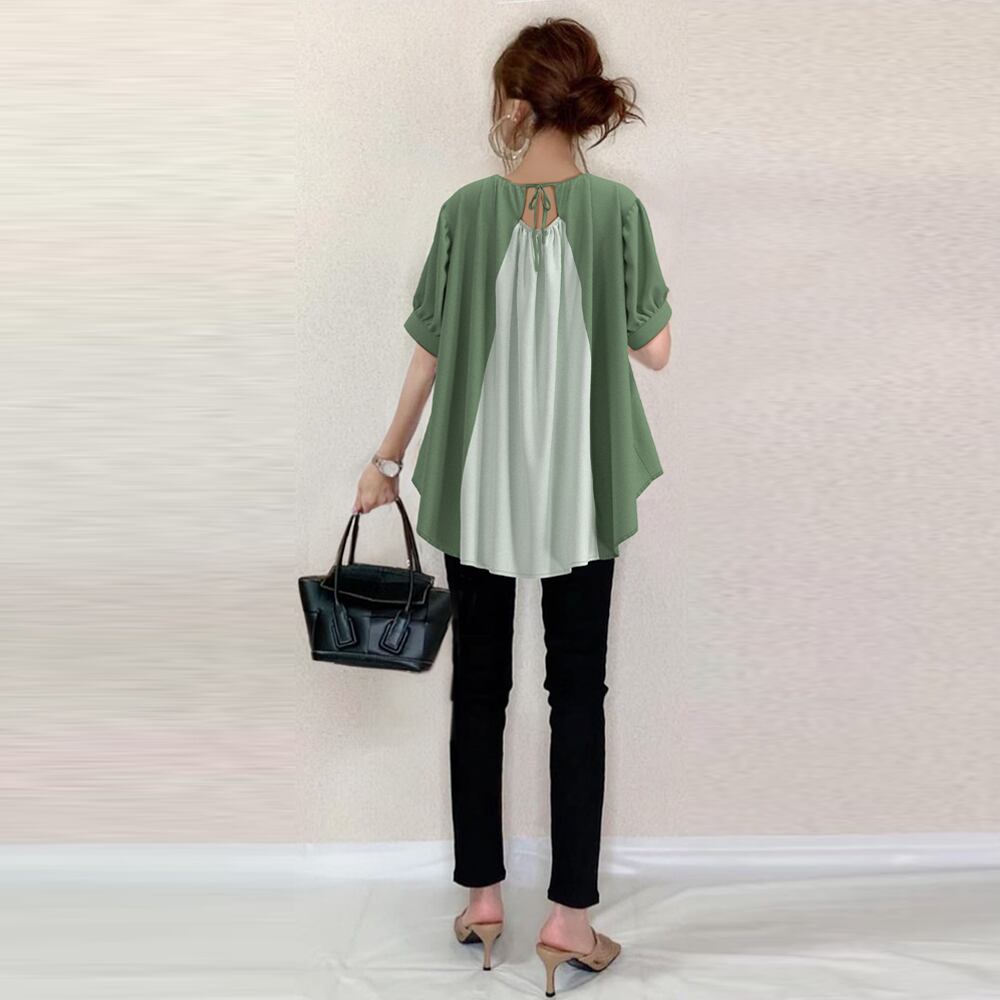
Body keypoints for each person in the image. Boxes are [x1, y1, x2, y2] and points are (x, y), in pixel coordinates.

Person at [352, 16, 672, 995]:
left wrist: (386, 460)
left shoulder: (464, 210)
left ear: (512, 103)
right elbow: (654, 349)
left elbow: (428, 354)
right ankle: (569, 919)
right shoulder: (618, 210)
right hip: (579, 489)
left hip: (478, 484)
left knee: (477, 690)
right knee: (577, 692)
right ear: (582, 103)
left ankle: (484, 900)